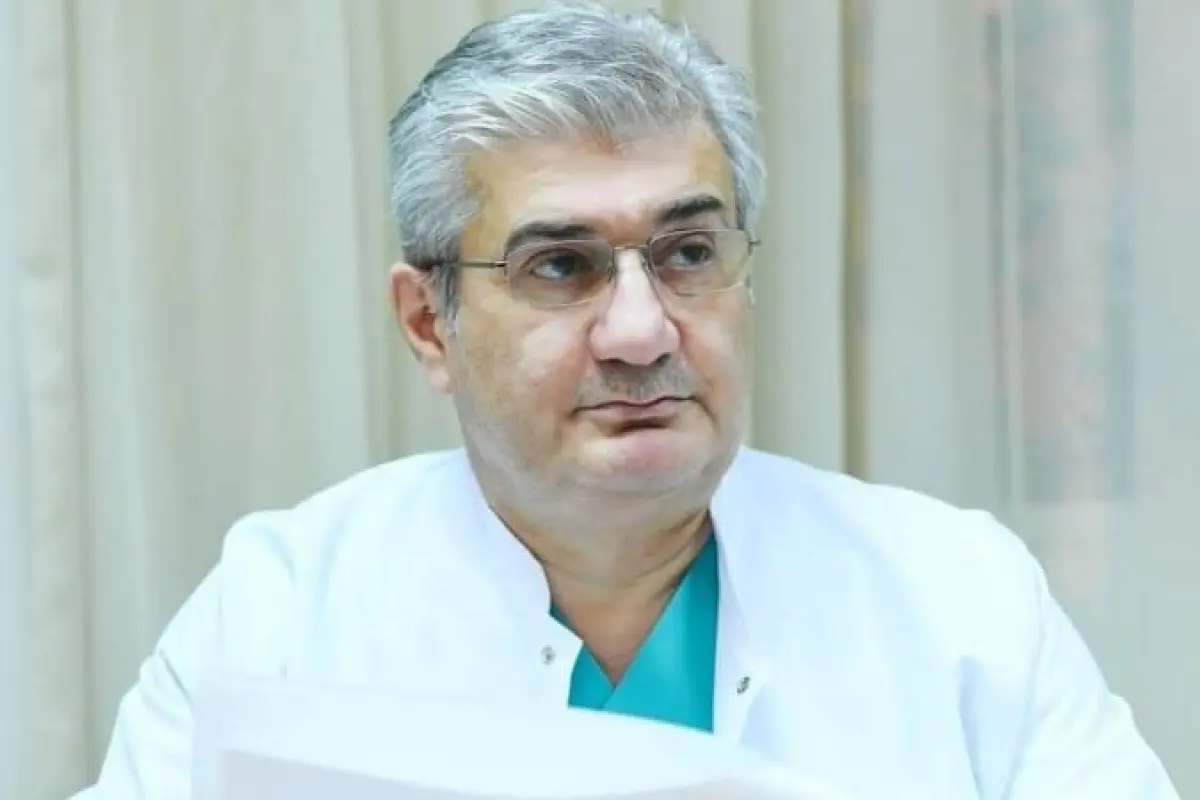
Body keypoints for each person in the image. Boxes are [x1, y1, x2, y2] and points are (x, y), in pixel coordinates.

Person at [74, 3, 1178, 798]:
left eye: (689, 252)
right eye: (561, 266)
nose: (643, 330)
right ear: (428, 324)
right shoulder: (280, 615)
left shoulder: (959, 601)